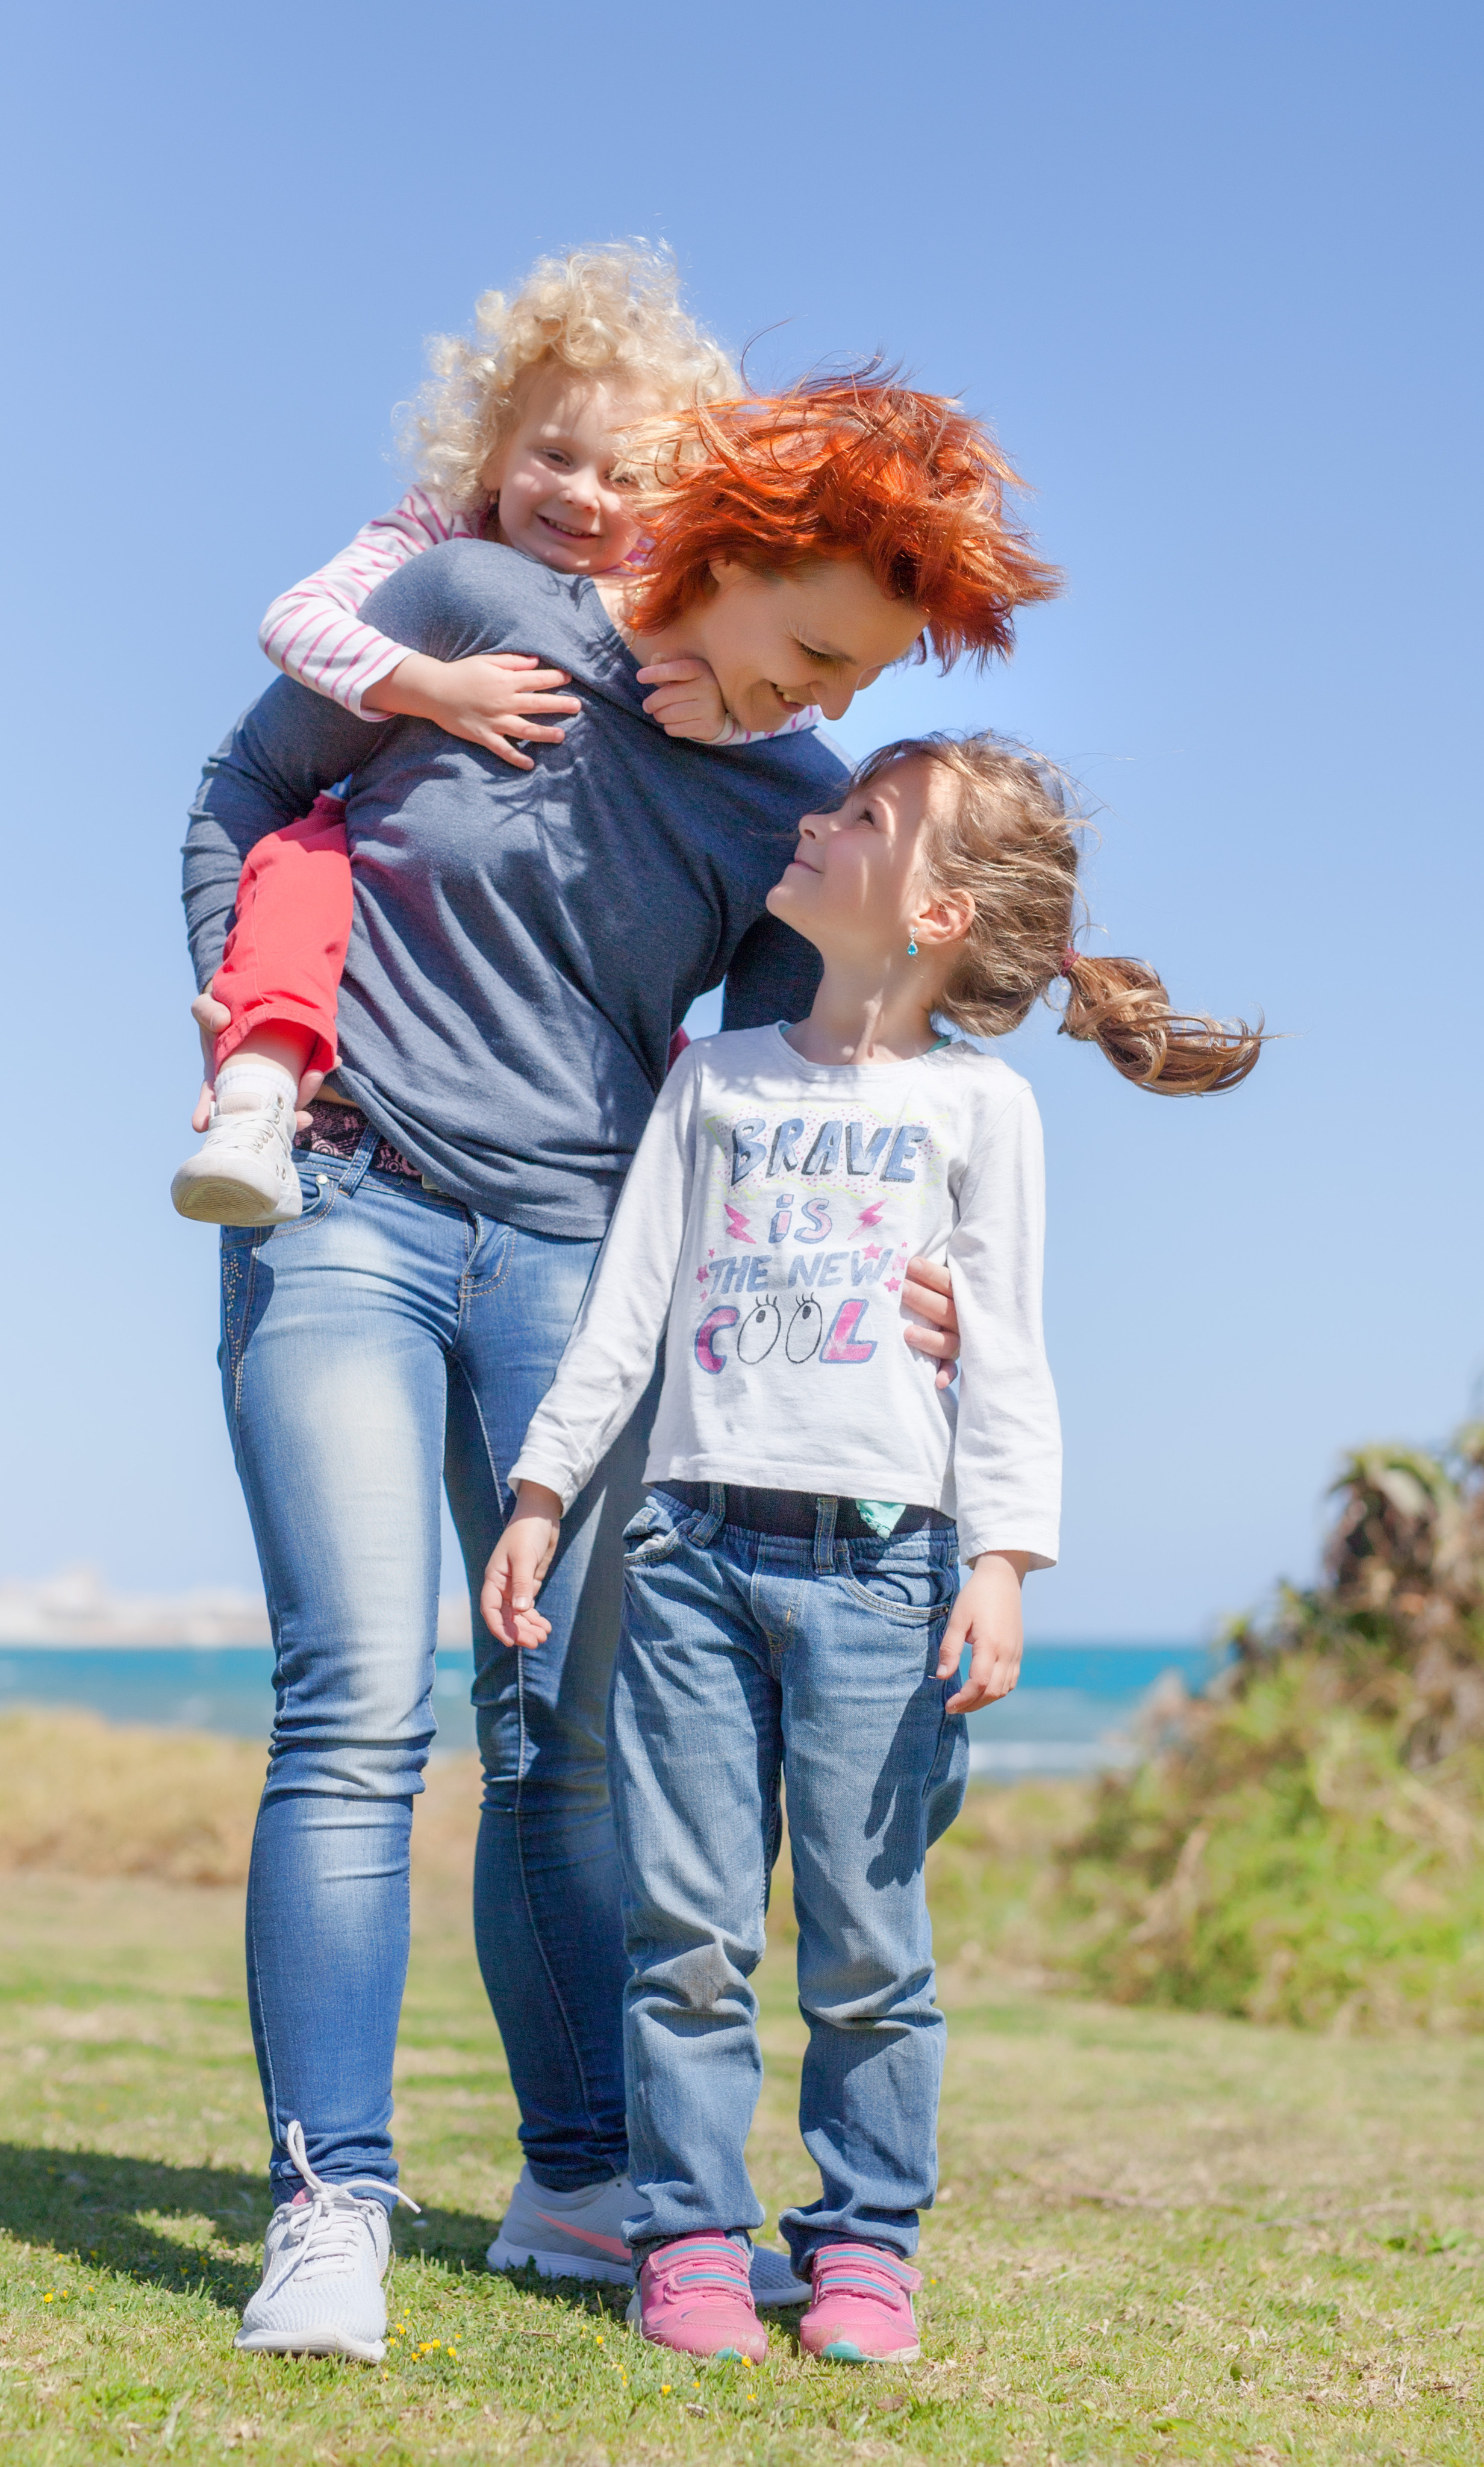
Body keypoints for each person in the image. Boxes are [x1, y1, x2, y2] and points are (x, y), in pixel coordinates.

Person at [181, 375, 1060, 2363]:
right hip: (347, 1203)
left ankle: (577, 2179)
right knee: (353, 1697)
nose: (814, 699)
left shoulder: (783, 804)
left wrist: (910, 1276)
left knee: (553, 1740)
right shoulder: (487, 598)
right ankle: (333, 2200)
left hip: (577, 1268)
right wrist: (247, 1045)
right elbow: (240, 799)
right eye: (812, 645)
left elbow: (812, 1077)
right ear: (737, 544)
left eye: (856, 675)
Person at [487, 731, 1262, 2366]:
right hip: (690, 1555)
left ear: (935, 914)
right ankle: (686, 2236)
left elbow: (1011, 1349)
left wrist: (1005, 1561)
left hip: (890, 1575)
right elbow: (628, 1315)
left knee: (865, 1940)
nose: (817, 821)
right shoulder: (715, 1078)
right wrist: (548, 1492)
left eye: (864, 819)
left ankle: (863, 2246)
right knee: (686, 1931)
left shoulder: (982, 1110)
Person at [173, 245, 815, 1230]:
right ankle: (261, 1091)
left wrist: (730, 715)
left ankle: (641, 1196)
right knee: (301, 874)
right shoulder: (438, 540)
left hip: (567, 1169)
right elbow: (294, 623)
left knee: (666, 1067)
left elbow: (795, 710)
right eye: (554, 456)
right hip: (366, 900)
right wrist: (433, 687)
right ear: (493, 450)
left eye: (626, 474)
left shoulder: (655, 592)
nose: (585, 495)